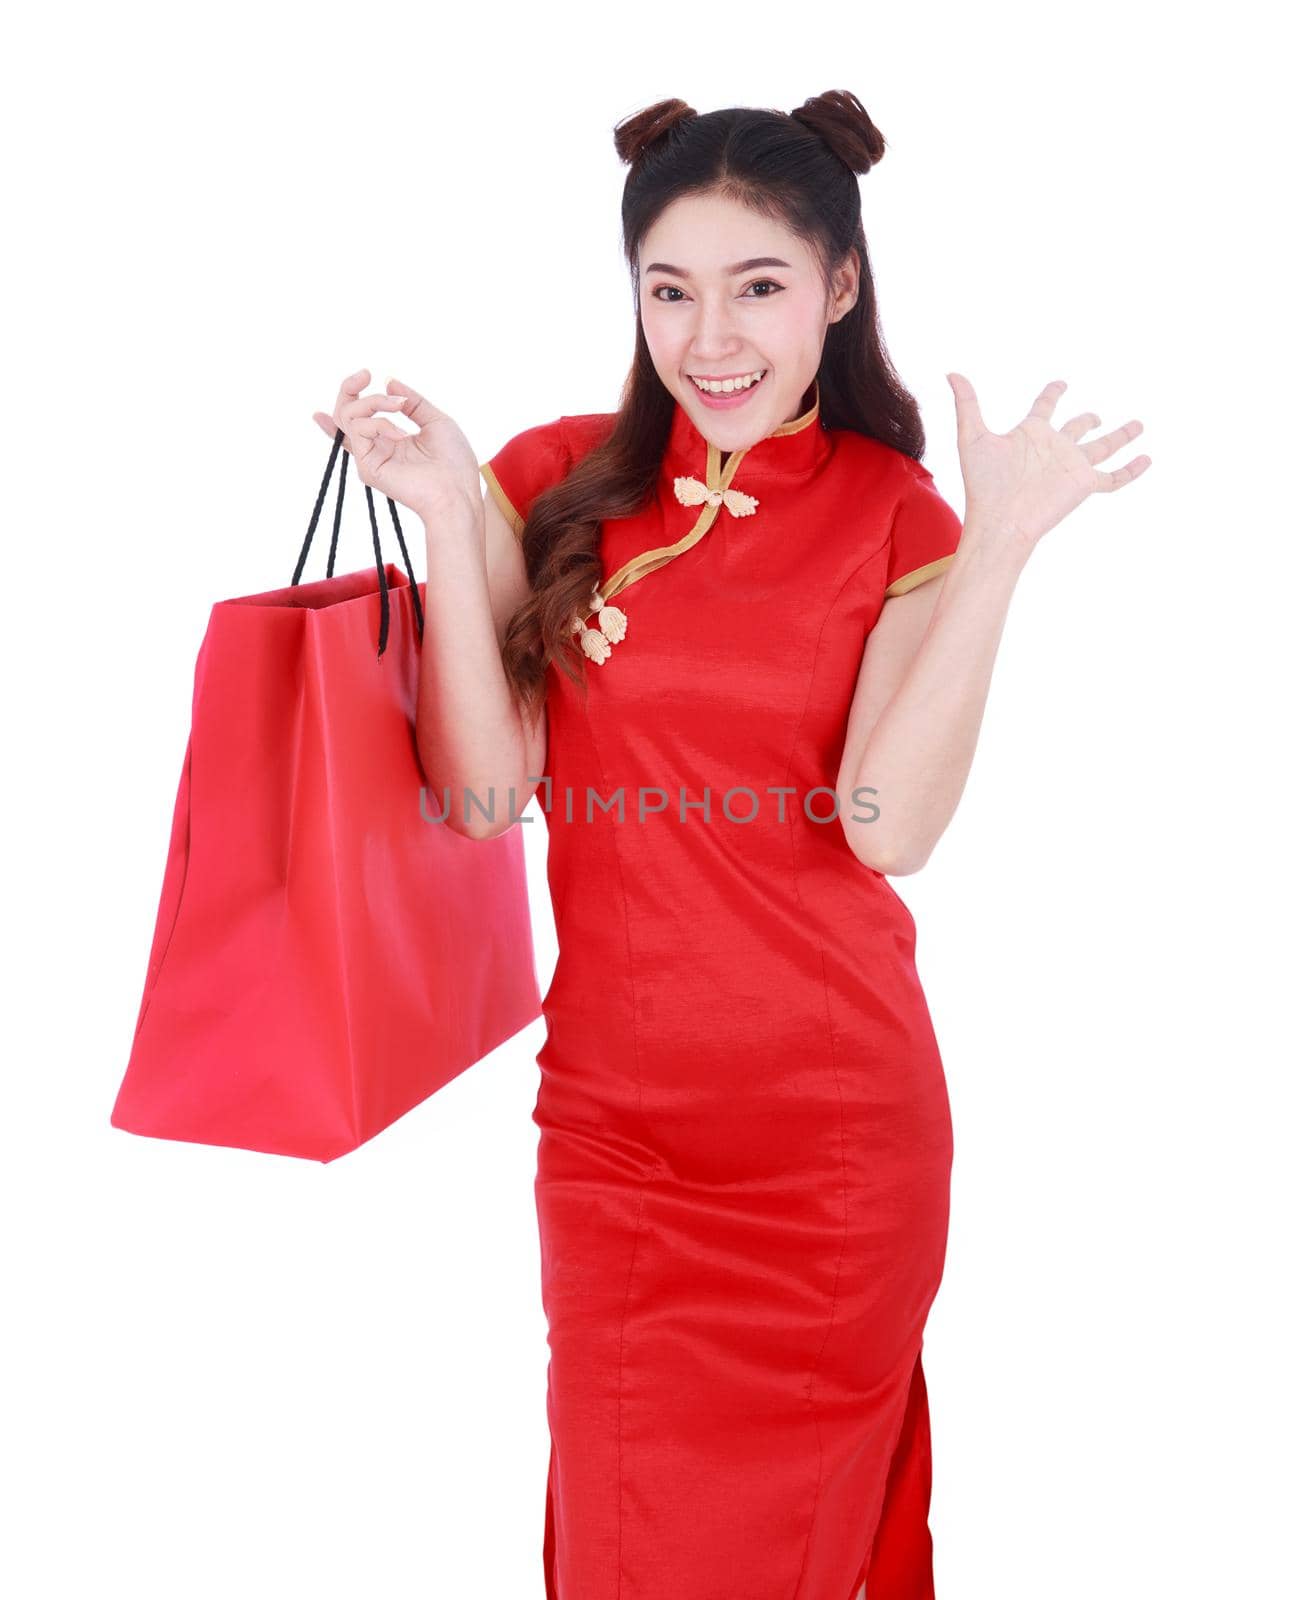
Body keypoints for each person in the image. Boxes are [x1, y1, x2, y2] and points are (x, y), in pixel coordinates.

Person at [314, 90, 1149, 1600]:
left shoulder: (895, 516)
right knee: (634, 1549)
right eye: (670, 291)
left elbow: (890, 830)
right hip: (618, 1146)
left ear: (840, 285)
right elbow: (489, 796)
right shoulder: (560, 477)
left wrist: (1002, 542)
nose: (711, 339)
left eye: (759, 287)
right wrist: (446, 510)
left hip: (833, 1152)